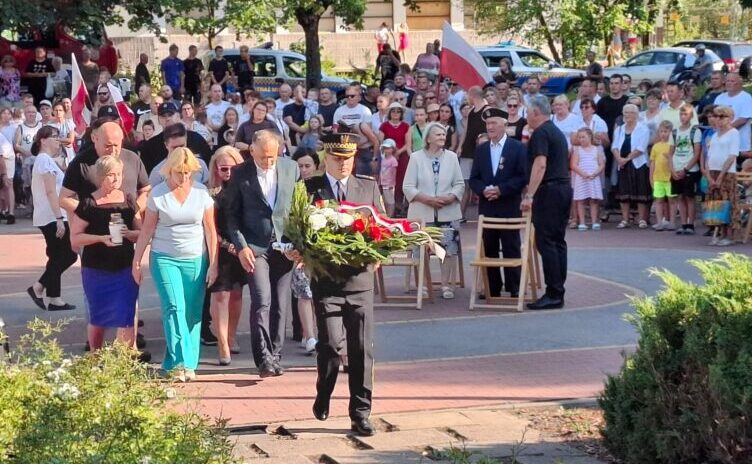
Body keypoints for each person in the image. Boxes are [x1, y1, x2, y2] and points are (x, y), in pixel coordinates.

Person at [305, 132, 384, 437]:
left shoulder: (368, 186)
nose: (343, 165)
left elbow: (382, 227)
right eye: (338, 159)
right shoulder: (310, 187)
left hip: (360, 279)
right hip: (327, 282)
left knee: (362, 348)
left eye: (348, 159)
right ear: (326, 157)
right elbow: (296, 229)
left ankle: (360, 412)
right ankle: (324, 392)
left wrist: (379, 253)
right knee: (329, 346)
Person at [132, 147, 218, 381]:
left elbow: (210, 230)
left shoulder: (201, 193)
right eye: (180, 172)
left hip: (195, 258)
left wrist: (214, 263)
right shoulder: (157, 194)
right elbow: (147, 229)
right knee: (174, 307)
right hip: (164, 257)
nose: (184, 177)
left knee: (191, 313)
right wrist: (136, 261)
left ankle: (177, 363)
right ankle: (182, 362)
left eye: (188, 173)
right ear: (170, 171)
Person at [224, 130, 299, 377]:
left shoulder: (291, 169)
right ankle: (263, 358)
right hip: (255, 247)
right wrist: (241, 246)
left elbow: (300, 208)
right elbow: (231, 215)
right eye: (264, 156)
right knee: (261, 300)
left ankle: (276, 355)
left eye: (273, 156)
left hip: (284, 246)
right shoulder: (240, 173)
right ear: (252, 151)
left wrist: (299, 245)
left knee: (279, 304)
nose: (269, 161)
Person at [70, 155, 141, 350]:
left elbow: (142, 233)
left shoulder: (128, 200)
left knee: (126, 315)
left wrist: (129, 233)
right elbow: (75, 238)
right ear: (101, 176)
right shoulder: (89, 203)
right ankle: (95, 357)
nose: (116, 179)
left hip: (125, 267)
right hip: (96, 268)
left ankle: (126, 361)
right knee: (98, 316)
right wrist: (100, 238)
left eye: (119, 174)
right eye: (111, 175)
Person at [468, 109, 528, 298]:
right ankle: (492, 287)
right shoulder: (482, 149)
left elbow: (522, 176)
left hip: (509, 205)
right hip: (488, 206)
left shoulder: (517, 147)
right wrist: (483, 190)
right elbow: (474, 178)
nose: (490, 127)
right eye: (488, 124)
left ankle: (515, 286)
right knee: (489, 247)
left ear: (505, 125)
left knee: (511, 246)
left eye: (494, 123)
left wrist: (501, 190)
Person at [521, 96, 571, 310]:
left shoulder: (541, 133)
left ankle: (554, 292)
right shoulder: (555, 131)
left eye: (527, 112)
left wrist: (530, 195)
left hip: (549, 190)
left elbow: (540, 164)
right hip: (562, 188)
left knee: (547, 241)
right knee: (558, 240)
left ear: (535, 113)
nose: (526, 117)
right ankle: (558, 290)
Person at [403, 122, 465, 298]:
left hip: (448, 210)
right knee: (420, 248)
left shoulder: (452, 157)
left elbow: (460, 184)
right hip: (422, 212)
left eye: (443, 134)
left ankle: (446, 285)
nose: (442, 137)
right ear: (428, 138)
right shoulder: (416, 157)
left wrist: (450, 197)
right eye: (438, 134)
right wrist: (428, 199)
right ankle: (422, 284)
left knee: (448, 249)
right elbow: (408, 187)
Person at [27, 126, 78, 311]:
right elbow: (50, 191)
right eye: (55, 137)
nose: (59, 140)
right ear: (43, 140)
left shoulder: (47, 160)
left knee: (56, 255)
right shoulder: (44, 160)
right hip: (52, 215)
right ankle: (38, 287)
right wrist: (58, 218)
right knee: (69, 254)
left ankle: (55, 297)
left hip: (51, 214)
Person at [205, 146, 246, 364]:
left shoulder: (245, 187)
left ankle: (231, 335)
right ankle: (222, 344)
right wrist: (226, 245)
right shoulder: (208, 191)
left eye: (231, 167)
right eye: (222, 168)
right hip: (217, 247)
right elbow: (208, 226)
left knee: (237, 294)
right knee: (220, 295)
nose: (227, 172)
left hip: (241, 248)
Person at [291, 147, 320, 353]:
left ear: (316, 166)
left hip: (321, 248)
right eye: (300, 166)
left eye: (307, 165)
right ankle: (309, 336)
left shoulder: (323, 187)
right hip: (300, 248)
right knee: (304, 293)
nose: (304, 170)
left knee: (319, 293)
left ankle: (318, 333)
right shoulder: (291, 189)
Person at [139, 102, 212, 174]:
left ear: (178, 116)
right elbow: (146, 174)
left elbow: (209, 163)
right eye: (163, 116)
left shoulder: (196, 139)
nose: (167, 119)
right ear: (158, 120)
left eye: (170, 115)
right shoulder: (150, 145)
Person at [703, 105, 739, 246]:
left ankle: (729, 235)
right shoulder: (714, 134)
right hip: (713, 171)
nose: (718, 119)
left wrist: (720, 176)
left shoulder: (733, 133)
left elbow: (731, 156)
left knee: (727, 202)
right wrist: (709, 175)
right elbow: (708, 155)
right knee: (715, 204)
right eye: (716, 116)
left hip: (726, 173)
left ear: (729, 118)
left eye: (721, 117)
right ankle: (718, 233)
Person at [612, 104, 651, 229]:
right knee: (624, 192)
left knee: (641, 192)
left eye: (630, 112)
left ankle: (642, 219)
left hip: (638, 164)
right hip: (622, 164)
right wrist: (619, 159)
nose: (627, 115)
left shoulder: (643, 128)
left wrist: (627, 159)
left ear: (636, 114)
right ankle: (625, 219)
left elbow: (641, 148)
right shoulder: (619, 129)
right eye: (625, 113)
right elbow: (614, 146)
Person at [671, 104, 702, 235]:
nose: (683, 117)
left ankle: (691, 223)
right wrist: (672, 169)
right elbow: (671, 152)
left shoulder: (695, 131)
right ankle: (683, 223)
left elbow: (696, 153)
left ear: (691, 116)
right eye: (681, 114)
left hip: (690, 169)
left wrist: (686, 169)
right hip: (676, 167)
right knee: (680, 197)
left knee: (690, 197)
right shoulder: (675, 131)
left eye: (686, 114)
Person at [571, 128, 605, 230]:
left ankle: (594, 221)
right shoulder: (577, 150)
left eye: (583, 137)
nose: (581, 139)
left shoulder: (596, 149)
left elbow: (601, 164)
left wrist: (595, 173)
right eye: (579, 137)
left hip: (593, 178)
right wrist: (582, 173)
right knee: (580, 200)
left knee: (593, 200)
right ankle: (582, 222)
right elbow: (573, 165)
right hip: (581, 178)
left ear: (590, 137)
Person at [713, 73, 752, 158]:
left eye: (732, 81)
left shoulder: (746, 98)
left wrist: (725, 130)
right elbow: (714, 117)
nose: (729, 83)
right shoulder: (719, 98)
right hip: (722, 143)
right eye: (727, 81)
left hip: (740, 145)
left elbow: (743, 120)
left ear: (739, 83)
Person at [650, 121, 676, 231]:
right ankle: (659, 221)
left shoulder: (672, 146)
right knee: (659, 200)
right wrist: (651, 177)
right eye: (661, 131)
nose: (663, 134)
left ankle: (672, 222)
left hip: (669, 177)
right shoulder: (655, 146)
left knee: (672, 200)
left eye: (666, 131)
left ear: (670, 132)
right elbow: (652, 162)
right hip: (658, 177)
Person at [47, 101, 76, 169]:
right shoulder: (49, 125)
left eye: (60, 110)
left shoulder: (69, 123)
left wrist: (57, 140)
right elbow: (49, 141)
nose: (58, 112)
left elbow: (71, 140)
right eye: (56, 110)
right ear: (53, 112)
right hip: (55, 153)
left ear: (64, 112)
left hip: (68, 152)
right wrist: (63, 141)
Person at [379, 139, 399, 216]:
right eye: (385, 148)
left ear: (393, 149)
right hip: (383, 182)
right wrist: (379, 181)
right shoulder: (383, 159)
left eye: (388, 148)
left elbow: (394, 172)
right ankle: (386, 214)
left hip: (389, 183)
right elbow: (381, 171)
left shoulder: (393, 160)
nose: (386, 150)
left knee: (390, 200)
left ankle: (390, 215)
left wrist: (392, 183)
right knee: (384, 200)